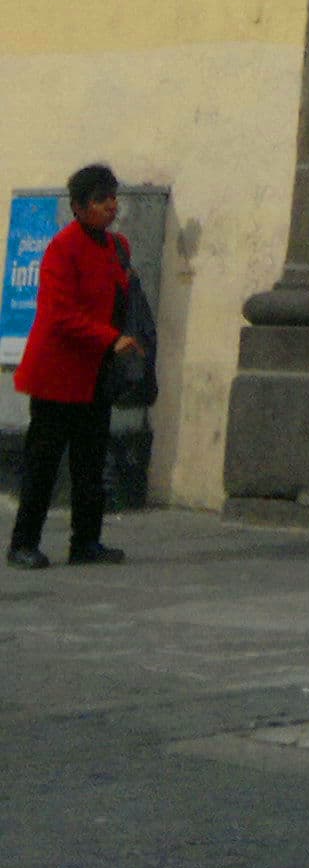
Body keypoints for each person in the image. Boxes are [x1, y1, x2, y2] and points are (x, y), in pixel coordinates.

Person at [8, 164, 140, 570]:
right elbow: (58, 314)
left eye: (113, 198)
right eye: (101, 200)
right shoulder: (62, 248)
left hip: (94, 374)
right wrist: (109, 338)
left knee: (89, 463)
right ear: (80, 208)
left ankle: (86, 541)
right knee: (43, 466)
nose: (110, 207)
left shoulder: (117, 246)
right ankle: (22, 544)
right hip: (57, 376)